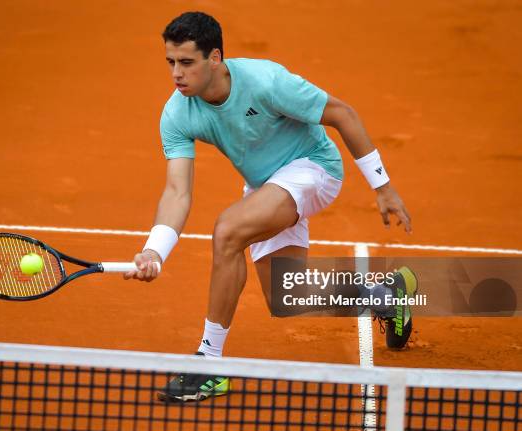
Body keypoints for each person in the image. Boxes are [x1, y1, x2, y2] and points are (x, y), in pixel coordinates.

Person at [123, 11, 416, 402]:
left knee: (227, 231)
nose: (176, 73)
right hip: (266, 186)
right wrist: (153, 250)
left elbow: (342, 114)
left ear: (215, 59)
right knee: (287, 298)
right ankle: (384, 295)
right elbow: (177, 192)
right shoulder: (177, 112)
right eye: (171, 62)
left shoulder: (266, 81)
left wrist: (383, 187)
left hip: (314, 169)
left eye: (187, 62)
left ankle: (210, 364)